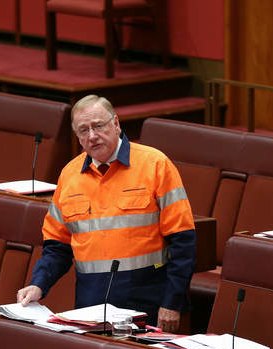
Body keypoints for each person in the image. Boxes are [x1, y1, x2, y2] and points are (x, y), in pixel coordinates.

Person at [17, 95, 196, 333]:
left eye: (98, 126)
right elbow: (57, 247)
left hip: (147, 304)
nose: (92, 136)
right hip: (90, 306)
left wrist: (172, 303)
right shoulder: (69, 175)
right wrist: (38, 284)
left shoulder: (155, 164)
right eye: (83, 130)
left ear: (116, 124)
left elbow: (183, 240)